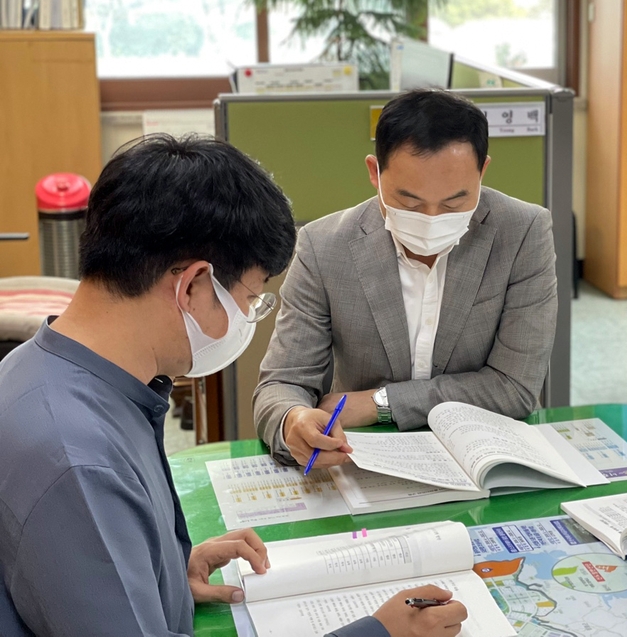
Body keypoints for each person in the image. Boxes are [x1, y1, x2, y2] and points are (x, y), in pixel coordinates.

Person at [0, 135, 466, 637]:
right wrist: (379, 633)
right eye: (250, 298)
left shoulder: (42, 370)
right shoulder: (81, 459)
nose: (249, 316)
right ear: (194, 285)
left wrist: (156, 576)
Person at [254, 89, 558, 469]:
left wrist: (379, 403)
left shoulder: (523, 231)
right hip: (361, 458)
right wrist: (292, 420)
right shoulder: (324, 246)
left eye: (453, 203)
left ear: (482, 173)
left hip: (490, 454)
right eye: (410, 203)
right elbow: (281, 384)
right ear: (374, 173)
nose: (431, 218)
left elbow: (514, 388)